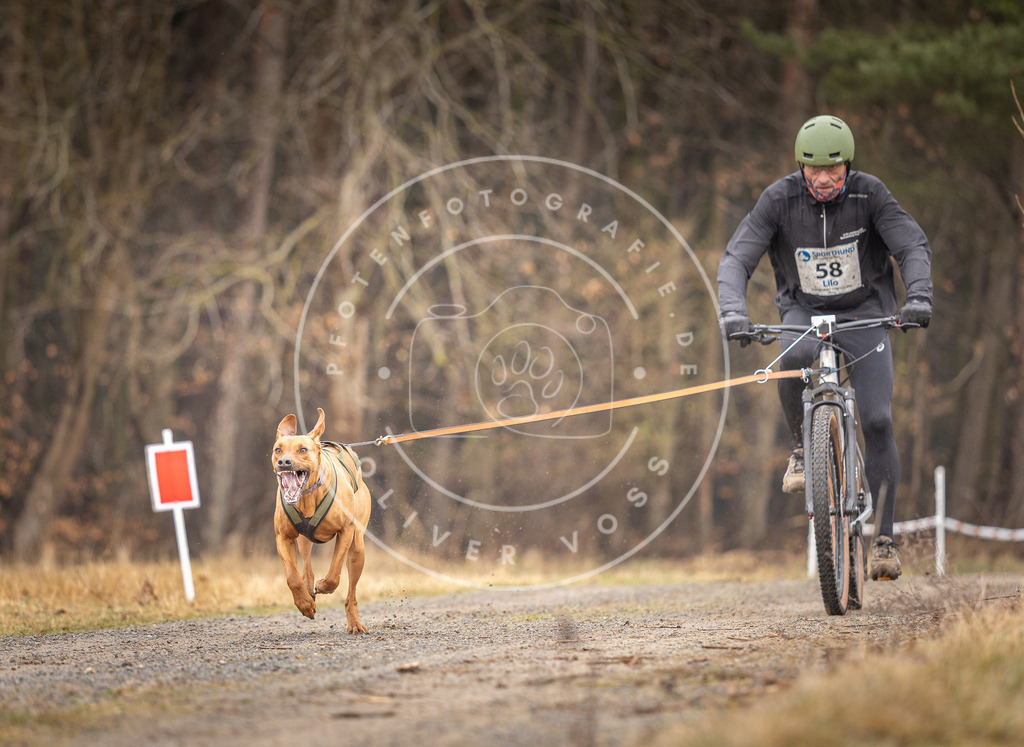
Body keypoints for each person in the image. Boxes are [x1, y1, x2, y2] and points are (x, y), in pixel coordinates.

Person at [717, 114, 932, 581]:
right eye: (814, 170)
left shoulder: (870, 194)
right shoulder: (778, 200)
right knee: (792, 358)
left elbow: (911, 245)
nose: (824, 179)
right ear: (800, 167)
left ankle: (885, 540)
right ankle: (802, 447)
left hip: (866, 314)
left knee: (877, 419)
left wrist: (918, 296)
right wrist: (732, 311)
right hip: (804, 313)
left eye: (834, 170)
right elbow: (737, 257)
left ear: (847, 166)